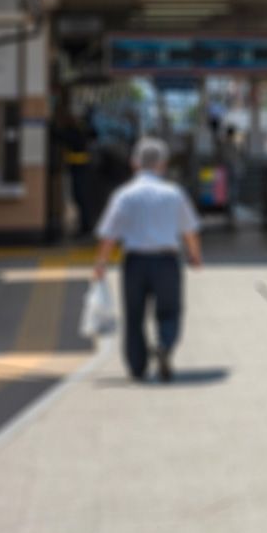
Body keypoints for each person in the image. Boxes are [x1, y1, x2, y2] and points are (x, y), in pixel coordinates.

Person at [92, 136, 202, 381]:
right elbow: (189, 230)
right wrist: (195, 255)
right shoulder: (174, 193)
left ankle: (137, 366)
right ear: (163, 164)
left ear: (134, 163)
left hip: (134, 262)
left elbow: (109, 234)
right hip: (166, 261)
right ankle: (165, 345)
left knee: (134, 316)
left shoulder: (124, 195)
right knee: (169, 311)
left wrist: (101, 263)